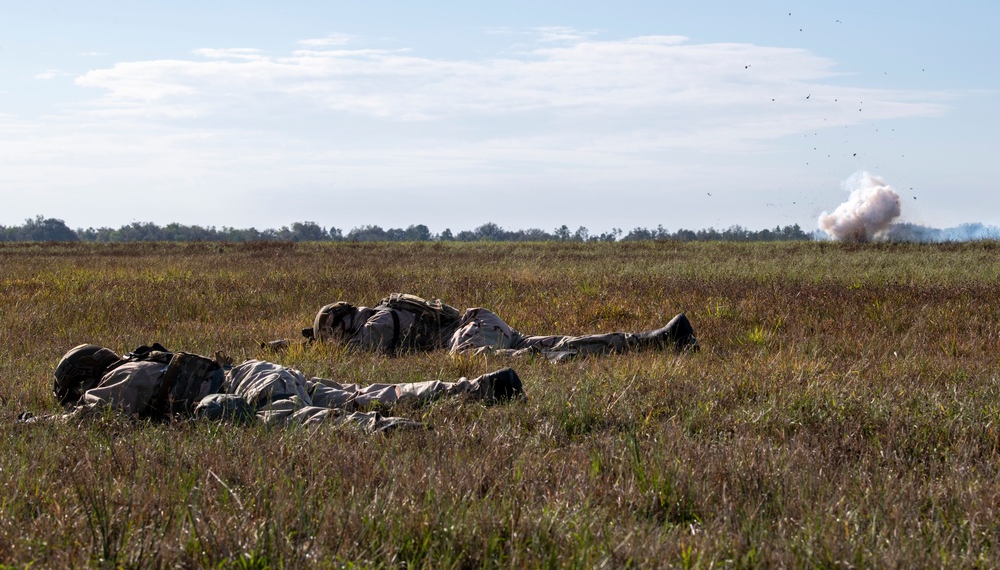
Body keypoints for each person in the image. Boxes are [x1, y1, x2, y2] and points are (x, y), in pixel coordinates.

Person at [38, 342, 524, 431]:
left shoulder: (123, 376)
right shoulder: (148, 366)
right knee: (373, 388)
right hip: (262, 371)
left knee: (286, 420)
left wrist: (36, 423)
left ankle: (379, 430)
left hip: (253, 386)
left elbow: (89, 417)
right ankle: (476, 387)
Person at [305, 293, 699, 361]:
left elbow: (359, 353)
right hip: (482, 322)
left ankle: (551, 359)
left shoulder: (378, 321)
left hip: (471, 334)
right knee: (567, 341)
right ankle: (659, 339)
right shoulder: (386, 311)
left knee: (536, 353)